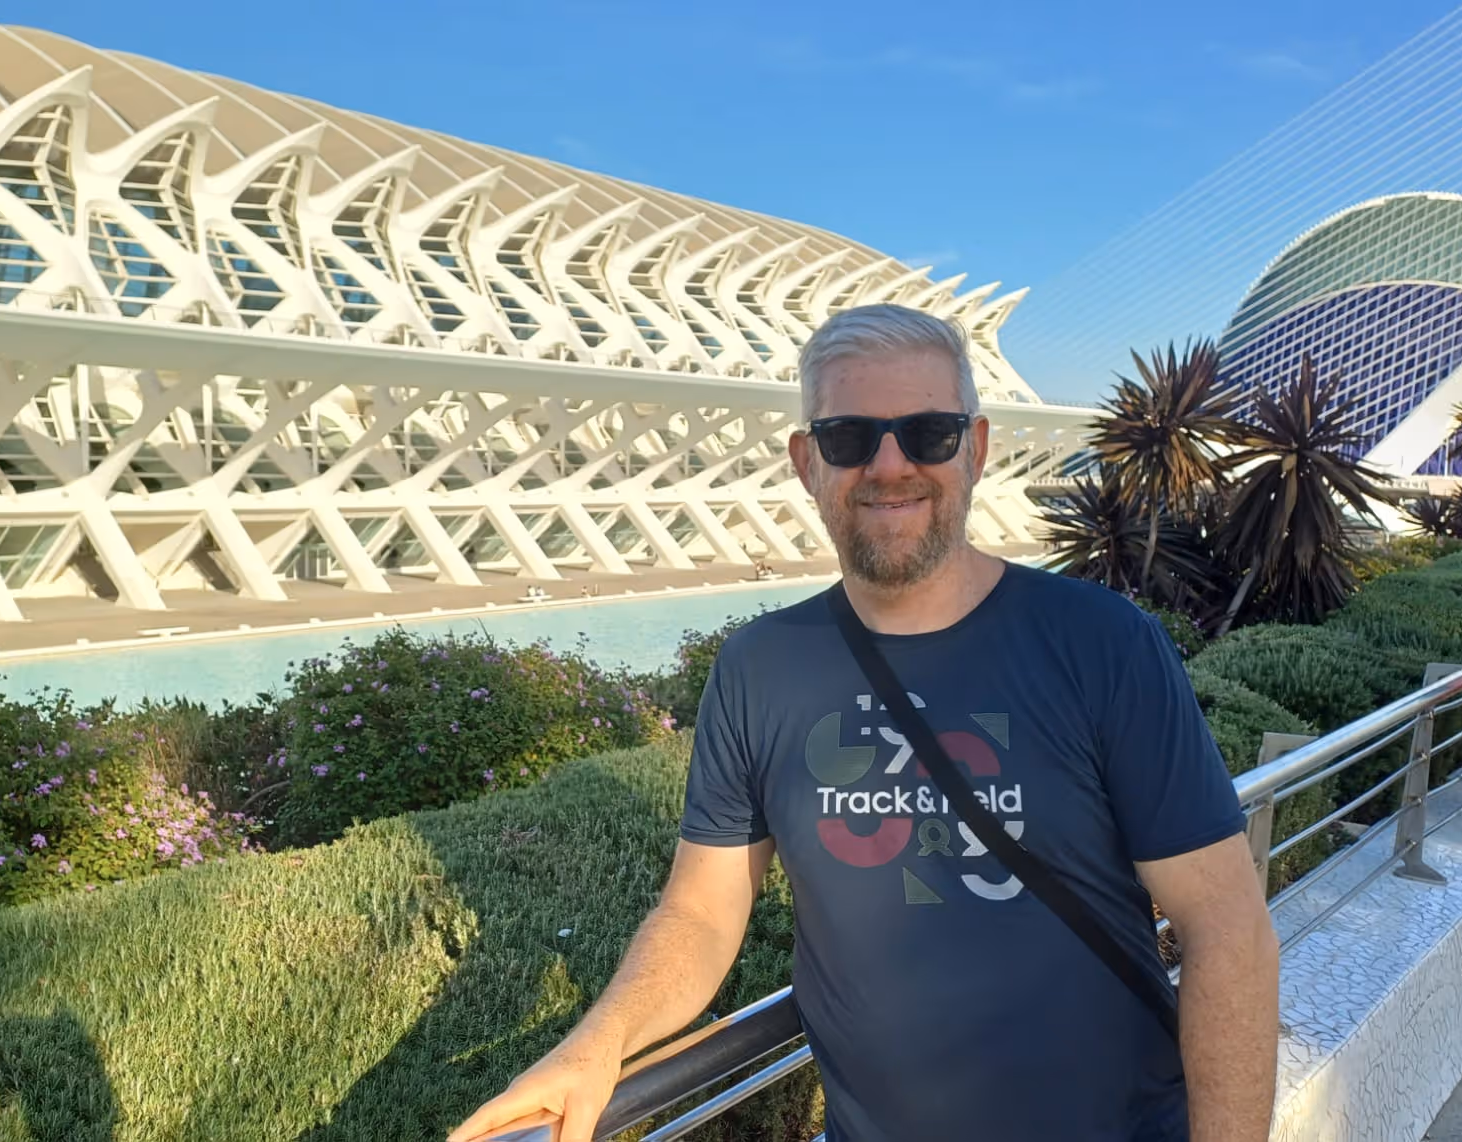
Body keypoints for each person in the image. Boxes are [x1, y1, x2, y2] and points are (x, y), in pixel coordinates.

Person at [451, 304, 1280, 1142]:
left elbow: (1226, 930)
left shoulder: (1102, 643)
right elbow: (701, 915)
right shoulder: (758, 669)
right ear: (808, 462)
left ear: (977, 449)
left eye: (928, 432)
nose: (891, 466)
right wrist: (598, 1043)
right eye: (851, 437)